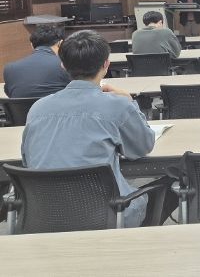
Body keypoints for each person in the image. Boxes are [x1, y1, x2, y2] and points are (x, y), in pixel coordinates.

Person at [21, 30, 161, 228]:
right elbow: (142, 147)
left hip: (45, 215)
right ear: (106, 64)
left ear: (63, 65)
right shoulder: (118, 105)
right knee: (164, 187)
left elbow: (27, 159)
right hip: (104, 214)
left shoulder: (37, 108)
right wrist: (130, 102)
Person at [3, 24, 71, 98]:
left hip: (22, 106)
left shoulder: (9, 69)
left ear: (32, 45)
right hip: (57, 105)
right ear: (60, 44)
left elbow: (10, 95)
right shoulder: (66, 65)